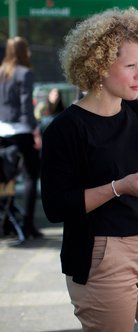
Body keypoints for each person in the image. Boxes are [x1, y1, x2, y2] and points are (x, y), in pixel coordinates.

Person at [40, 8, 138, 331]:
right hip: (103, 257)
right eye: (130, 66)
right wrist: (118, 187)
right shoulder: (66, 129)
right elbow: (56, 207)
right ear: (99, 67)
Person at [0, 36, 43, 239]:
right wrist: (35, 131)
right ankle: (27, 224)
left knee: (7, 175)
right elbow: (27, 106)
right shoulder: (25, 73)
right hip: (21, 131)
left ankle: (8, 221)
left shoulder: (2, 72)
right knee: (31, 176)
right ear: (23, 51)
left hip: (3, 132)